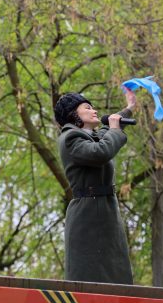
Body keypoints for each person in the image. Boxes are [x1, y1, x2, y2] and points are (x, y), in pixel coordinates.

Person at [54, 88, 136, 284]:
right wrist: (115, 129)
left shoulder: (89, 136)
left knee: (114, 277)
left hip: (104, 212)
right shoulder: (70, 138)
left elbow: (106, 132)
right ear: (74, 114)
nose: (94, 110)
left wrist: (129, 108)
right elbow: (101, 152)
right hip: (88, 217)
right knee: (92, 280)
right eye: (87, 107)